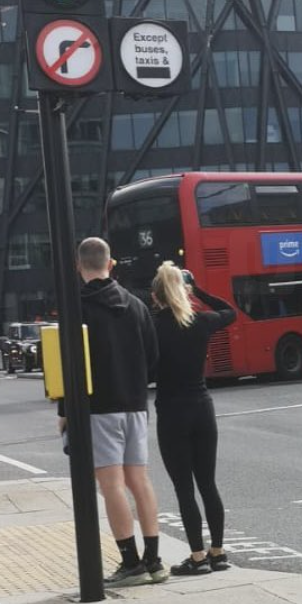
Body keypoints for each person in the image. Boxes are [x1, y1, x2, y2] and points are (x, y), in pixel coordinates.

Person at [58, 237, 164, 587]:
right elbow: (152, 359)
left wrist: (64, 409)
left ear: (78, 266)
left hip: (98, 407)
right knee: (140, 480)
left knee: (111, 485)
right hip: (135, 405)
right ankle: (154, 560)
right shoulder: (136, 305)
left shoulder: (77, 307)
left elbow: (69, 365)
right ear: (111, 263)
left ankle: (130, 562)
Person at [151, 262, 236, 575]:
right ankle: (218, 551)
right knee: (208, 484)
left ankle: (197, 557)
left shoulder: (154, 325)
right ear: (184, 290)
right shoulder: (201, 320)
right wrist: (196, 288)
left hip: (172, 411)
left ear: (155, 296)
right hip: (202, 407)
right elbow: (230, 311)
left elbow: (147, 368)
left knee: (184, 489)